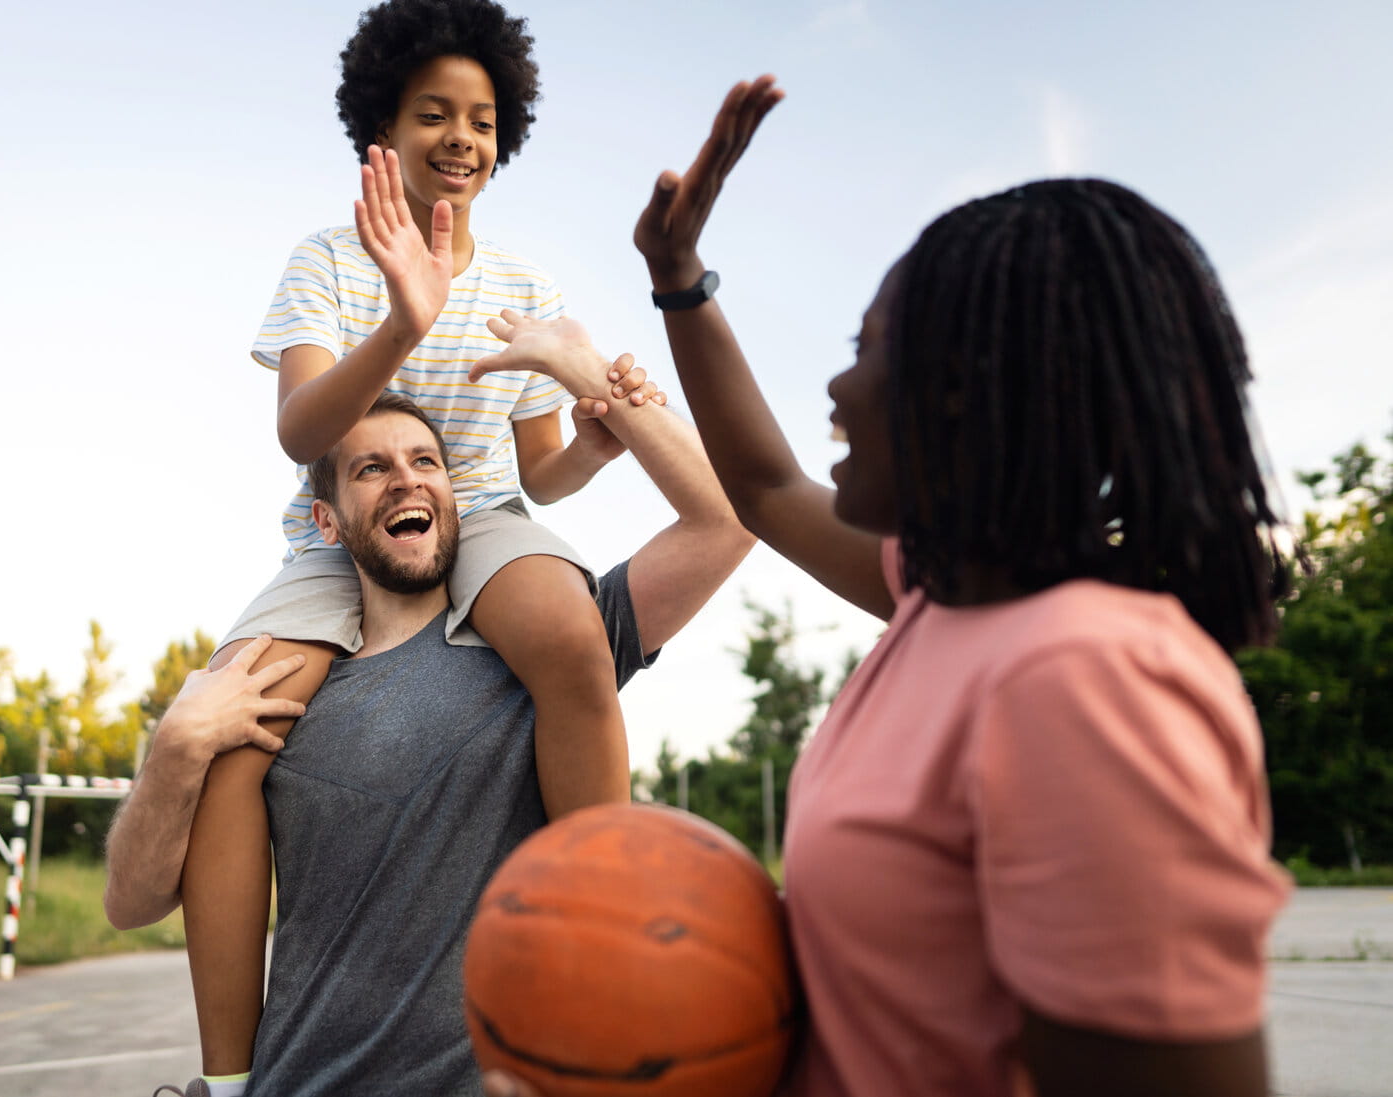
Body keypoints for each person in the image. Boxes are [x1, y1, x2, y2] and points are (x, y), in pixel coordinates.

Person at [485, 77, 1293, 1097]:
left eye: (862, 351)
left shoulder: (1081, 679)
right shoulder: (945, 597)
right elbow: (766, 488)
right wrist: (677, 277)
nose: (835, 390)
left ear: (967, 389)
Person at [173, 1, 662, 1089]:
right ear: (380, 131)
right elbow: (302, 430)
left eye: (481, 120)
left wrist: (590, 446)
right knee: (231, 741)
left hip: (480, 511)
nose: (460, 138)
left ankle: (607, 961)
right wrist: (404, 315)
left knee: (576, 649)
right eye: (432, 113)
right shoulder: (326, 262)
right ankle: (224, 1076)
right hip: (339, 529)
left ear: (505, 138)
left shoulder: (524, 285)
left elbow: (539, 471)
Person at [107, 354, 754, 1094]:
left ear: (454, 493)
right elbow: (129, 904)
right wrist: (174, 748)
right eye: (370, 470)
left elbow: (726, 520)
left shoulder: (551, 647)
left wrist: (583, 371)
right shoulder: (270, 696)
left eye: (425, 462)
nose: (406, 478)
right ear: (327, 520)